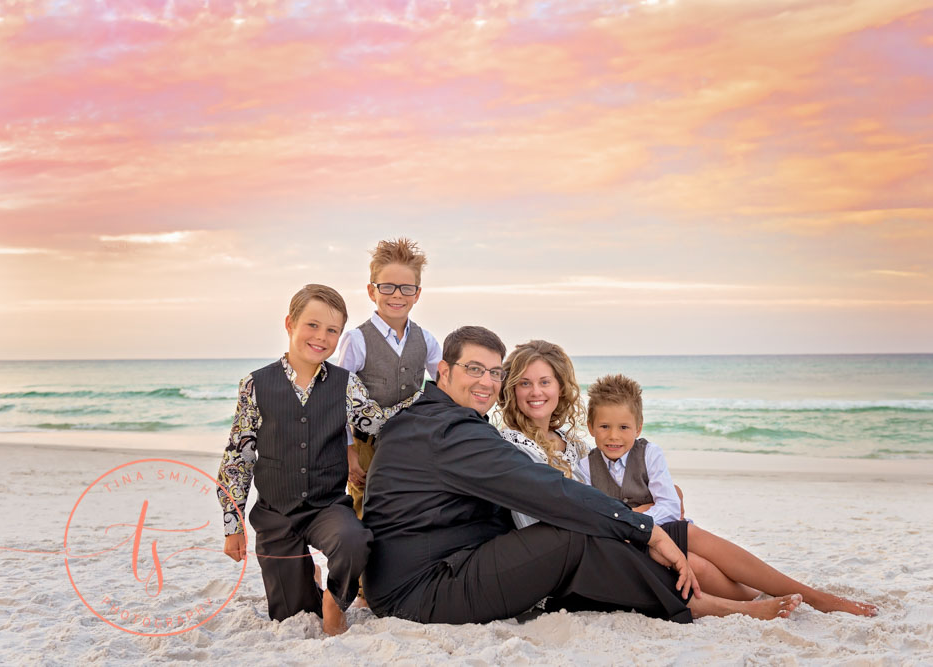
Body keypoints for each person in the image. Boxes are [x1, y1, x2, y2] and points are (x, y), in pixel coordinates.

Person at [361, 326, 805, 625]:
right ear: (444, 372)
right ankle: (695, 602)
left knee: (615, 528)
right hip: (422, 591)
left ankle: (773, 593)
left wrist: (646, 524)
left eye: (494, 372)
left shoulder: (436, 421)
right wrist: (644, 529)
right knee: (571, 534)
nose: (486, 382)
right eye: (473, 369)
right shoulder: (450, 430)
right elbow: (543, 488)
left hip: (436, 568)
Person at [579, 372, 877, 616]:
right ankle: (755, 600)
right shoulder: (586, 467)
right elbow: (590, 516)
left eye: (623, 427)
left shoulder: (649, 454)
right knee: (694, 564)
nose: (614, 436)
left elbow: (670, 507)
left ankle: (807, 596)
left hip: (665, 532)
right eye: (605, 426)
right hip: (631, 546)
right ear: (591, 427)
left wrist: (638, 518)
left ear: (638, 427)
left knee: (690, 539)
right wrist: (635, 518)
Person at [216, 284, 415, 636]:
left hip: (327, 508)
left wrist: (425, 402)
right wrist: (233, 525)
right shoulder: (256, 384)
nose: (321, 337)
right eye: (312, 325)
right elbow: (239, 457)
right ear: (290, 323)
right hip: (277, 513)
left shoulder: (346, 384)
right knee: (292, 614)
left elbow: (380, 421)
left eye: (332, 330)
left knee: (354, 540)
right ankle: (310, 575)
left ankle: (335, 601)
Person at [335, 238, 441, 519]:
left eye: (406, 288)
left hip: (412, 443)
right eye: (387, 287)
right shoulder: (357, 340)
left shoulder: (426, 340)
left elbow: (447, 386)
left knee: (408, 511)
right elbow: (337, 401)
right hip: (365, 447)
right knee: (366, 511)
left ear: (417, 294)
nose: (397, 295)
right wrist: (349, 454)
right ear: (372, 291)